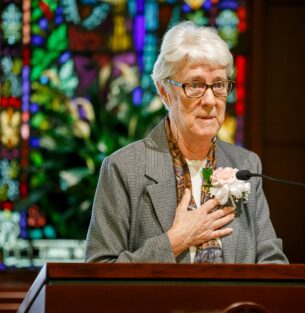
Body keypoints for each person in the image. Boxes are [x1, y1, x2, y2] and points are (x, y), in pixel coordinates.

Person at [85, 21, 288, 264]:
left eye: (219, 85)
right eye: (196, 85)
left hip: (233, 303)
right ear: (164, 91)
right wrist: (174, 241)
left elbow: (272, 261)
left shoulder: (245, 164)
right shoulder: (124, 168)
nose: (210, 100)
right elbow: (99, 273)